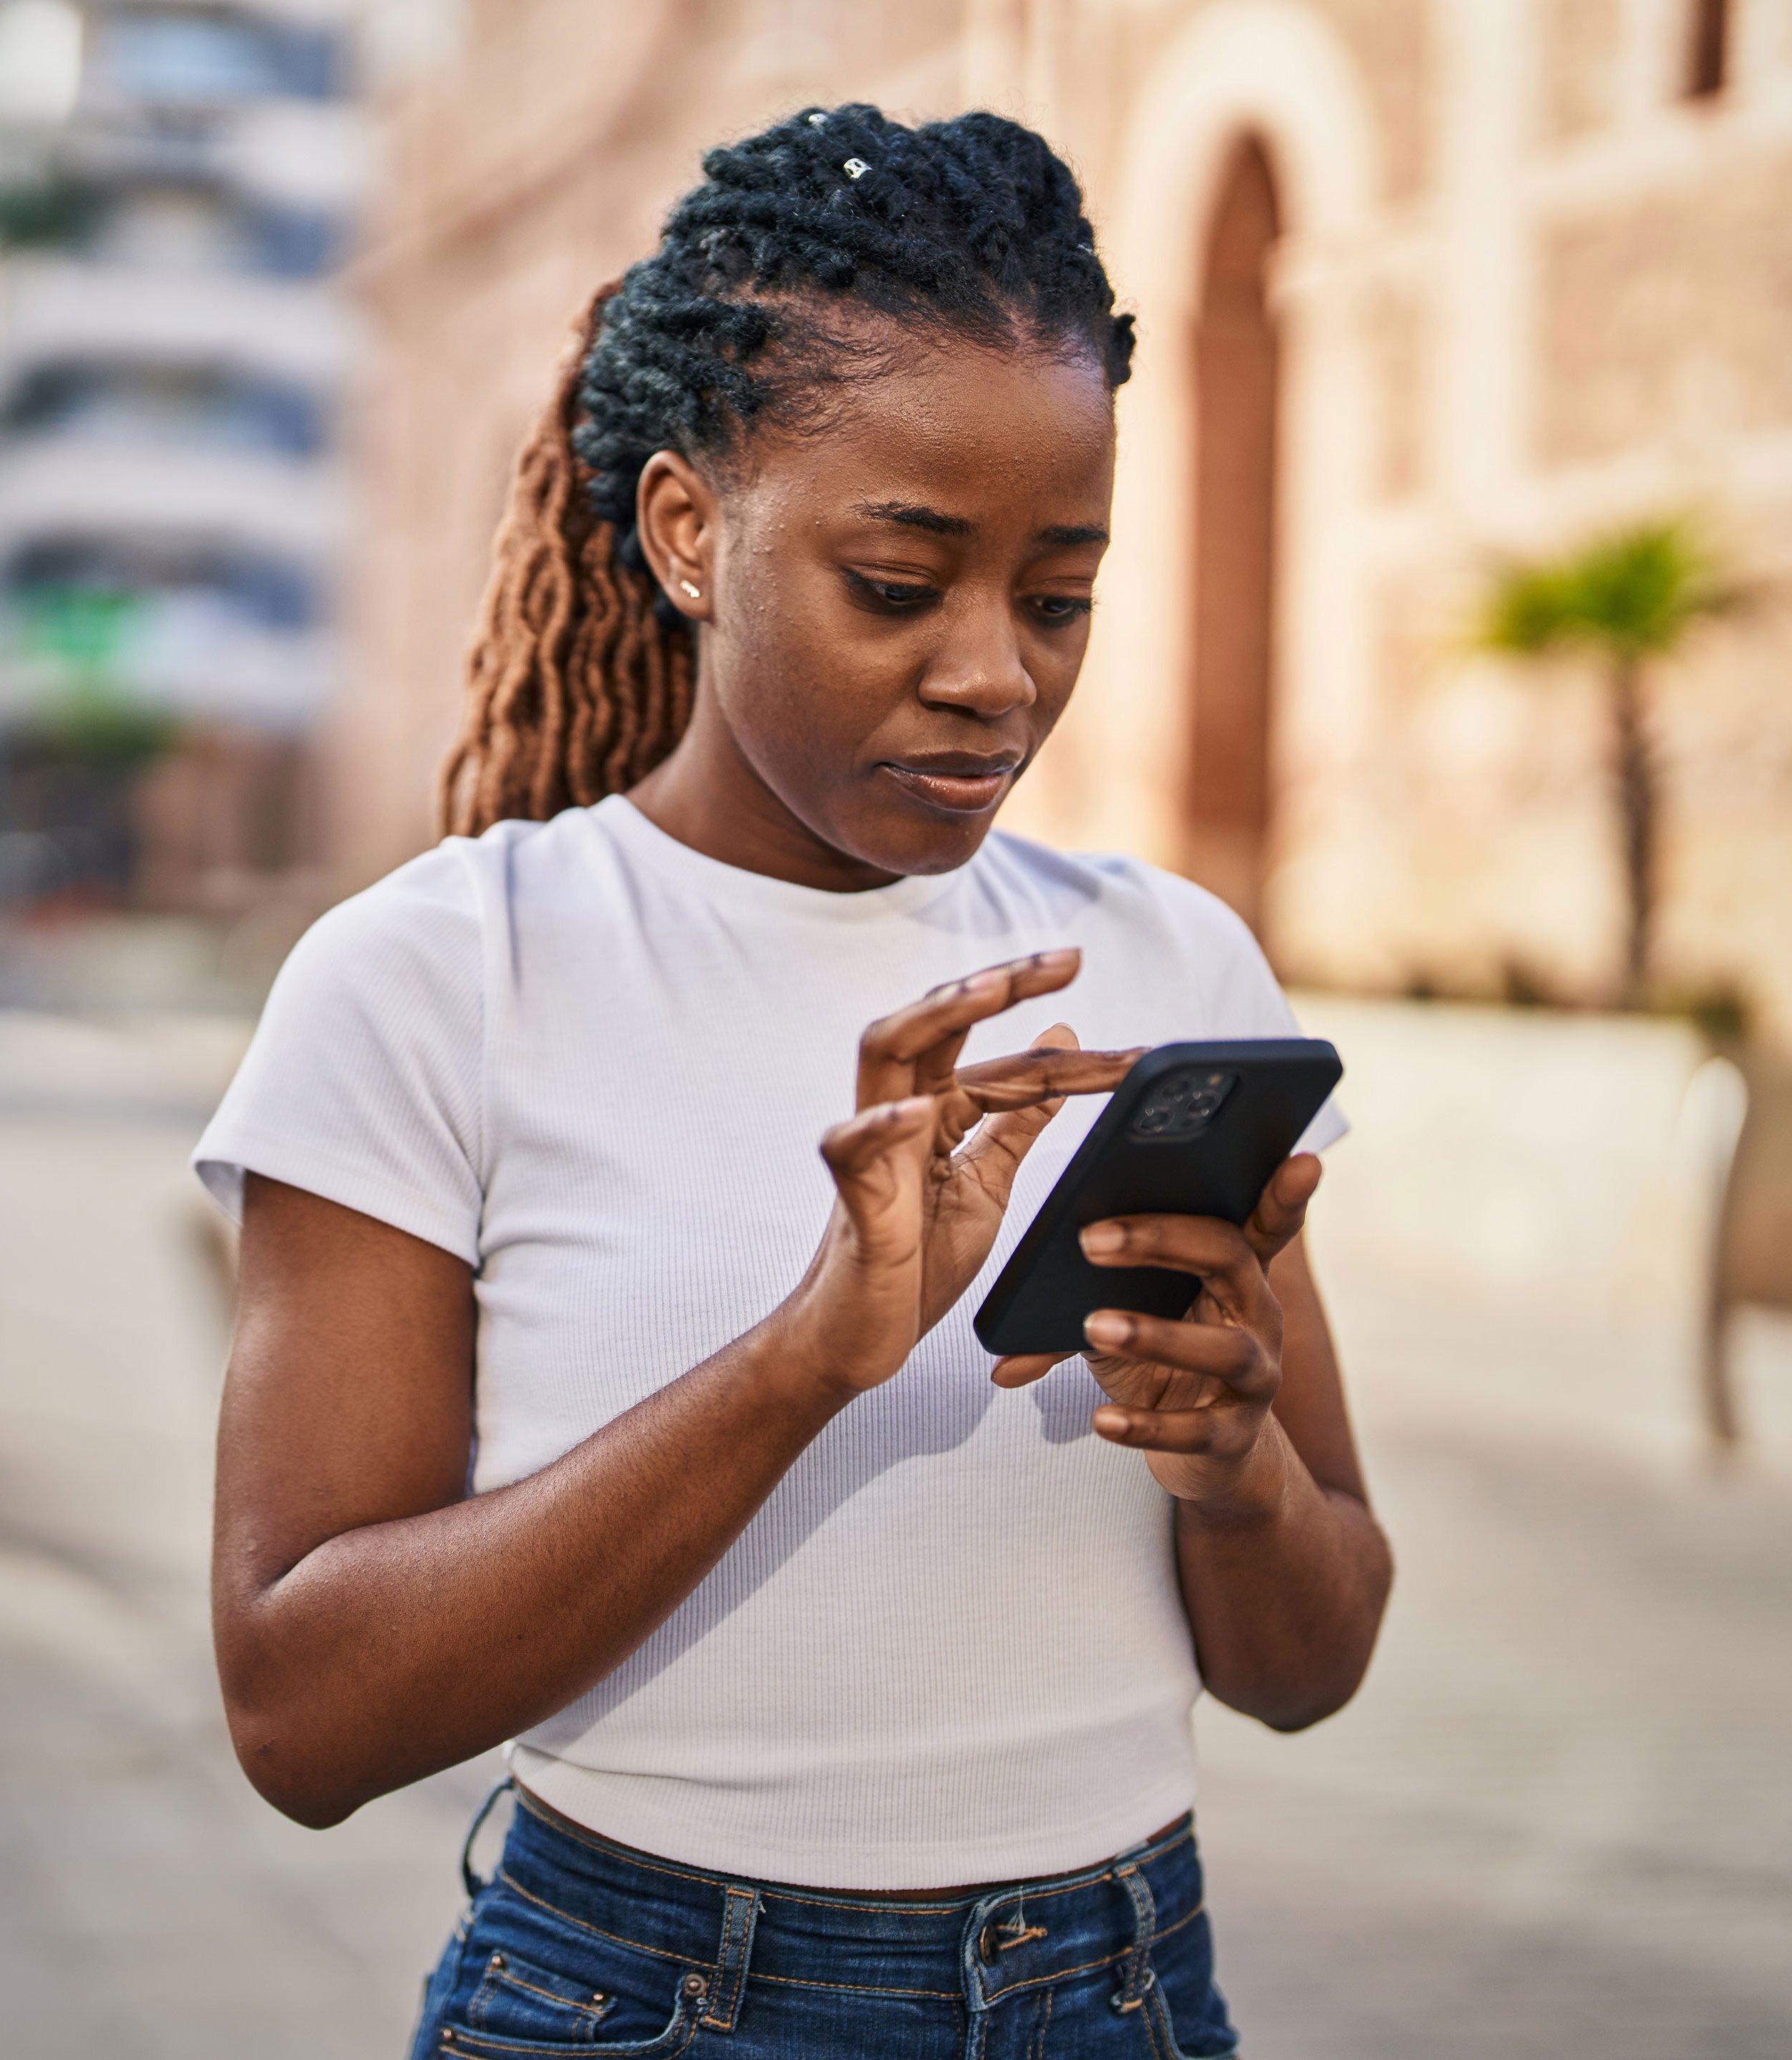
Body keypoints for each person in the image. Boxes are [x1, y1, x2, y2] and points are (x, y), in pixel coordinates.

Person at [193, 103, 1392, 2060]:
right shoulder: (442, 976)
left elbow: (1314, 1669)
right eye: (902, 583)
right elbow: (299, 1717)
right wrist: (800, 1361)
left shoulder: (1171, 968)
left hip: (1119, 1993)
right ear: (689, 531)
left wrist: (1234, 1465)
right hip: (642, 2002)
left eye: (1059, 593)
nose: (997, 674)